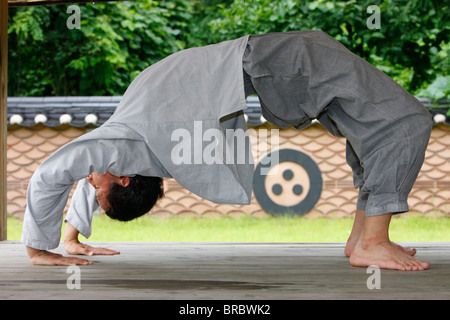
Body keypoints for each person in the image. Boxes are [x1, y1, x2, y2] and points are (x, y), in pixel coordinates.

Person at [22, 30, 432, 271]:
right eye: (96, 191)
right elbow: (54, 173)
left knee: (367, 126)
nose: (89, 185)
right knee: (404, 121)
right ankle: (370, 241)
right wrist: (38, 248)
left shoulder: (138, 150)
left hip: (264, 63)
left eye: (92, 192)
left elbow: (76, 172)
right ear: (123, 176)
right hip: (276, 58)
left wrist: (69, 236)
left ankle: (363, 238)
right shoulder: (121, 145)